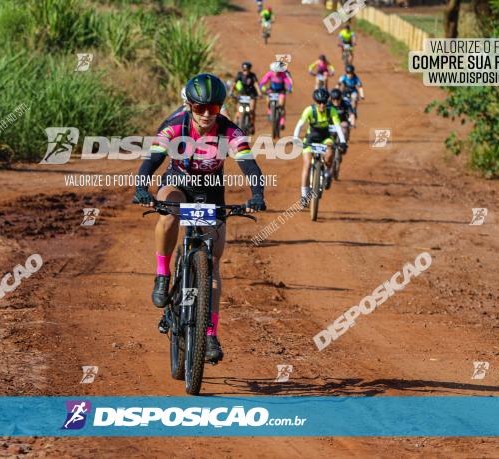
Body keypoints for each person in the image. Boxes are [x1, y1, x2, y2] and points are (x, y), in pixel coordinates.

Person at [133, 73, 266, 363]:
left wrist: (257, 195)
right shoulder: (173, 128)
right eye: (199, 108)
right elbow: (151, 161)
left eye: (214, 108)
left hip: (211, 191)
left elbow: (250, 166)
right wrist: (142, 187)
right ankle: (162, 274)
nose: (207, 115)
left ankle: (209, 333)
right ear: (188, 106)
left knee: (214, 262)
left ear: (221, 108)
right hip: (178, 183)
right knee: (168, 212)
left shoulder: (231, 133)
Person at [293, 88, 347, 207]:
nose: (322, 105)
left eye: (324, 102)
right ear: (315, 102)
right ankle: (304, 195)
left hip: (325, 138)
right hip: (311, 138)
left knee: (329, 154)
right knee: (307, 165)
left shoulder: (331, 111)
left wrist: (342, 141)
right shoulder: (309, 111)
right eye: (319, 102)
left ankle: (327, 173)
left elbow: (338, 127)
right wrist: (295, 139)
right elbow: (299, 125)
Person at [258, 61, 293, 129]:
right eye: (274, 71)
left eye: (277, 71)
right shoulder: (269, 74)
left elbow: (288, 82)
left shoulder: (283, 74)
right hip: (272, 90)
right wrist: (261, 86)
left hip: (281, 91)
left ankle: (282, 122)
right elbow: (264, 80)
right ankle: (269, 110)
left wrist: (289, 88)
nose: (276, 72)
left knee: (281, 106)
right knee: (268, 99)